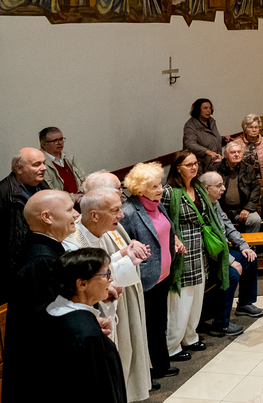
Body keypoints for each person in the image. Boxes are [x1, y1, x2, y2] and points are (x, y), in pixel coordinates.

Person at [63, 186, 153, 399]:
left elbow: (107, 265)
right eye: (115, 210)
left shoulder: (101, 232)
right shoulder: (73, 244)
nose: (122, 215)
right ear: (94, 215)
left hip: (108, 312)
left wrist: (126, 259)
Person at [4, 191, 81, 401]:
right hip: (42, 370)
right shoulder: (41, 261)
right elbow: (50, 320)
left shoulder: (46, 250)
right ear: (47, 217)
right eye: (69, 210)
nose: (76, 214)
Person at [33, 249, 128, 402]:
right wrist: (89, 328)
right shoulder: (86, 335)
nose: (110, 280)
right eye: (106, 274)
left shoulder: (46, 310)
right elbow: (97, 389)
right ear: (82, 284)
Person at [163, 150, 229, 361]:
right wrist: (174, 239)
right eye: (189, 164)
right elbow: (164, 222)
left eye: (195, 164)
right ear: (178, 168)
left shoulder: (198, 188)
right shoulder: (169, 191)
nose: (194, 167)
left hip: (200, 248)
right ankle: (172, 345)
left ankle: (190, 337)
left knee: (197, 296)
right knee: (181, 300)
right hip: (181, 251)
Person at [119, 162, 178, 383]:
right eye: (154, 186)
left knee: (159, 322)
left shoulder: (157, 204)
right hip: (144, 279)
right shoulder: (129, 212)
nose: (160, 189)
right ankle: (145, 374)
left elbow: (165, 232)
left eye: (159, 184)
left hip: (163, 274)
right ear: (140, 189)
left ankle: (161, 364)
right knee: (146, 327)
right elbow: (125, 246)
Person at [199, 172, 263, 337]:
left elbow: (228, 227)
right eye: (219, 185)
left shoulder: (215, 203)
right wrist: (230, 261)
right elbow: (209, 244)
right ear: (206, 189)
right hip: (209, 258)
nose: (224, 188)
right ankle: (220, 324)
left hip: (221, 252)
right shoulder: (201, 208)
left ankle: (245, 303)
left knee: (250, 258)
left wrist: (244, 246)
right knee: (231, 273)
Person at [0, 147, 50, 302]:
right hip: (16, 265)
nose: (44, 168)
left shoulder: (42, 185)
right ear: (19, 169)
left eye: (44, 163)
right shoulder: (4, 192)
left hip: (41, 256)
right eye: (37, 164)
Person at [215, 141, 262, 233]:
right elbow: (210, 192)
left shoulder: (248, 168)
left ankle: (250, 243)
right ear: (225, 155)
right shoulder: (217, 169)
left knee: (255, 220)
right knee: (216, 220)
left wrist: (247, 209)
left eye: (239, 152)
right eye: (233, 152)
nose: (236, 154)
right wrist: (219, 210)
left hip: (243, 209)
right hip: (223, 210)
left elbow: (256, 190)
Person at [38, 126, 85, 196]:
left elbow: (84, 179)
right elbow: (49, 190)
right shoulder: (40, 163)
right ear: (44, 144)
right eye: (55, 141)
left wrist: (81, 193)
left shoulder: (70, 158)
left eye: (61, 139)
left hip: (80, 200)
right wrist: (74, 198)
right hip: (59, 202)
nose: (60, 143)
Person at [182, 98, 226, 170]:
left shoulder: (211, 121)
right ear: (198, 110)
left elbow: (210, 137)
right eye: (205, 108)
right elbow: (189, 144)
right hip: (200, 166)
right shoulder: (190, 125)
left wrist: (223, 138)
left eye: (210, 108)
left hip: (216, 162)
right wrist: (207, 151)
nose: (208, 110)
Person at [233, 113, 263, 179]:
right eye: (251, 127)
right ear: (245, 129)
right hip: (241, 180)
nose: (254, 130)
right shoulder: (237, 143)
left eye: (256, 127)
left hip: (262, 180)